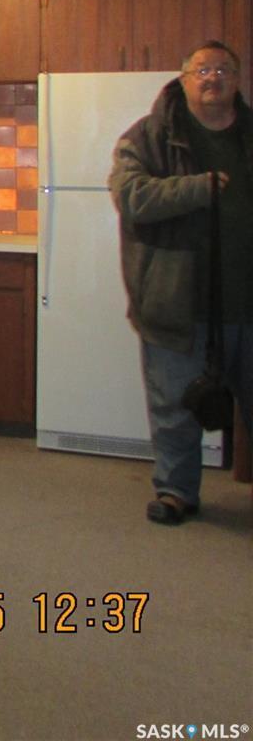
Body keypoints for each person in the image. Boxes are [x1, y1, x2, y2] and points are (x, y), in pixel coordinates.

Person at [109, 40, 253, 525]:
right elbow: (131, 198)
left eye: (224, 69)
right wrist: (196, 188)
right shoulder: (149, 137)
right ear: (184, 77)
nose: (214, 78)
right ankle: (176, 491)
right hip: (175, 302)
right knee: (174, 407)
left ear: (237, 79)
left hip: (248, 302)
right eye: (203, 69)